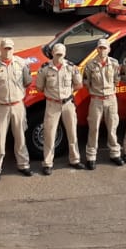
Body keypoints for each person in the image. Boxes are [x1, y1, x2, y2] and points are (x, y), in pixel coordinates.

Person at [0, 38, 33, 179]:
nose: (7, 51)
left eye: (9, 48)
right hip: (1, 107)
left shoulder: (21, 63)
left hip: (17, 106)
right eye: (5, 48)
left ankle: (23, 165)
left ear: (13, 49)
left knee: (20, 136)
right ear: (0, 49)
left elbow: (27, 82)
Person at [35, 43, 83, 173]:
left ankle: (75, 160)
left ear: (65, 54)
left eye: (61, 55)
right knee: (49, 134)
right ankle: (47, 163)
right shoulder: (45, 69)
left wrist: (69, 92)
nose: (59, 57)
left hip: (67, 103)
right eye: (56, 55)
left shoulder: (71, 68)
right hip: (52, 104)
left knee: (72, 132)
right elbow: (39, 87)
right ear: (52, 54)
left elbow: (79, 84)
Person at [82, 38, 121, 167]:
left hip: (111, 99)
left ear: (109, 49)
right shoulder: (90, 65)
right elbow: (86, 82)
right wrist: (96, 92)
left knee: (112, 128)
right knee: (94, 129)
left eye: (105, 48)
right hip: (96, 100)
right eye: (100, 48)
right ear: (97, 49)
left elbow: (117, 80)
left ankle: (115, 153)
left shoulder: (114, 64)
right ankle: (91, 157)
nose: (102, 50)